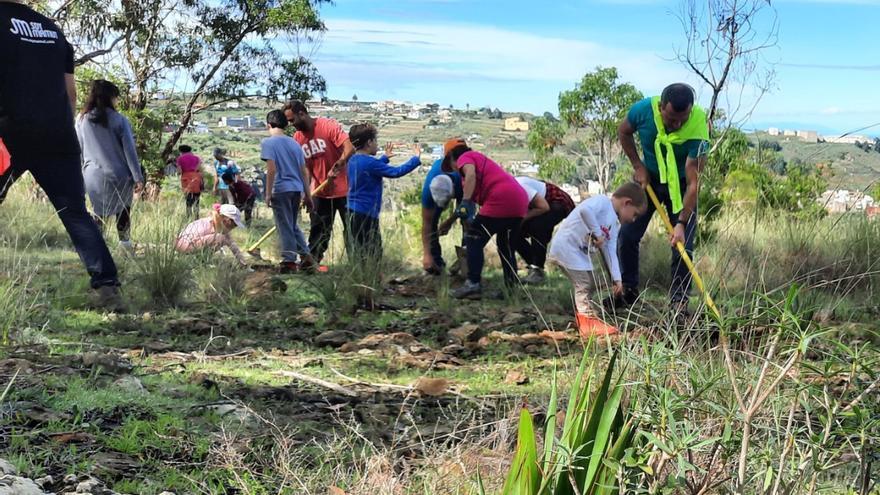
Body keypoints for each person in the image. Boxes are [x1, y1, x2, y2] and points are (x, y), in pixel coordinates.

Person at [0, 0, 122, 307]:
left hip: (9, 132)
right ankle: (107, 286)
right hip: (58, 134)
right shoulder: (52, 29)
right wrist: (60, 131)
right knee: (75, 212)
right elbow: (70, 94)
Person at [614, 83, 710, 315]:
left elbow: (694, 183)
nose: (676, 125)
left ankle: (678, 305)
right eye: (670, 120)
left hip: (682, 187)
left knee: (683, 246)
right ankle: (627, 291)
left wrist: (681, 223)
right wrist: (638, 165)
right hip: (650, 181)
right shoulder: (643, 110)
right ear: (660, 108)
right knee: (627, 235)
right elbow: (623, 131)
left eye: (682, 120)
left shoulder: (698, 125)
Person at [548, 183, 647, 337]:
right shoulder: (602, 202)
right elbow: (584, 210)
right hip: (567, 248)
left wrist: (617, 279)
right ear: (626, 203)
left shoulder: (614, 225)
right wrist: (597, 233)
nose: (633, 220)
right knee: (584, 283)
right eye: (634, 214)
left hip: (579, 255)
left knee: (592, 281)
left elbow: (610, 251)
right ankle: (587, 323)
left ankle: (584, 317)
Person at [441, 138, 529, 299]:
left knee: (473, 238)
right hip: (519, 200)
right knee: (506, 245)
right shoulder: (478, 164)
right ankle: (511, 289)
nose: (454, 169)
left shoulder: (466, 158)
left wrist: (466, 202)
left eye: (450, 164)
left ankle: (473, 284)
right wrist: (449, 222)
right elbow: (465, 205)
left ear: (452, 156)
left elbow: (470, 177)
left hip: (501, 198)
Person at [76, 80, 144, 250]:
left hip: (92, 176)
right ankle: (126, 248)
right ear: (110, 97)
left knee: (99, 212)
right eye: (116, 97)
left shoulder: (81, 119)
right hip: (119, 175)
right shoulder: (120, 120)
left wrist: (79, 176)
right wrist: (138, 177)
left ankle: (96, 249)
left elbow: (79, 149)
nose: (117, 101)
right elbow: (129, 151)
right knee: (123, 211)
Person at [284, 100, 355, 263]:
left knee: (351, 231)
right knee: (318, 232)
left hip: (345, 190)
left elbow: (349, 148)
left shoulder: (328, 125)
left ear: (302, 113)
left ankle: (356, 265)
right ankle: (311, 265)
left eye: (292, 120)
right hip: (320, 192)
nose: (291, 124)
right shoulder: (298, 138)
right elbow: (306, 169)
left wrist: (338, 165)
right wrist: (306, 192)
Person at [346, 124, 421, 261]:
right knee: (374, 251)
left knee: (360, 249)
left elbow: (369, 168)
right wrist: (415, 159)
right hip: (366, 214)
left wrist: (385, 158)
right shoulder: (370, 163)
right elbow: (396, 172)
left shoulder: (353, 160)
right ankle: (374, 278)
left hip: (352, 211)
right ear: (369, 142)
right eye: (375, 141)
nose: (376, 144)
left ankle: (361, 276)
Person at [261, 110, 316, 273]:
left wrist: (268, 193)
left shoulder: (268, 142)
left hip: (281, 189)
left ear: (268, 125)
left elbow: (271, 169)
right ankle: (306, 257)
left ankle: (289, 261)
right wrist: (308, 194)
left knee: (283, 225)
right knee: (292, 225)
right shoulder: (294, 143)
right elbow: (303, 171)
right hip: (296, 189)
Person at [512, 176, 575, 284]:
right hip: (539, 206)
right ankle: (534, 267)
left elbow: (544, 207)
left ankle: (537, 270)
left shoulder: (519, 186)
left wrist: (523, 219)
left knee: (538, 228)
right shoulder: (506, 192)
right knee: (514, 234)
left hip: (556, 201)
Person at [421, 155, 463, 275]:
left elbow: (464, 208)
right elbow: (426, 224)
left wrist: (450, 221)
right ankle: (435, 263)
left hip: (462, 186)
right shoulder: (428, 192)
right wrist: (426, 254)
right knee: (432, 220)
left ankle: (467, 263)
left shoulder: (462, 180)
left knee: (467, 220)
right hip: (438, 189)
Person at [176, 203, 248, 266]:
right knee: (220, 238)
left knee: (223, 238)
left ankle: (201, 260)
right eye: (234, 225)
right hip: (184, 246)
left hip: (192, 246)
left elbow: (232, 244)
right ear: (227, 220)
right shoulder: (207, 224)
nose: (234, 227)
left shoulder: (219, 226)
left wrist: (242, 262)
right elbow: (188, 241)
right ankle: (199, 261)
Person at [176, 144, 203, 218]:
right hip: (196, 178)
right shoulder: (197, 158)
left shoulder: (180, 158)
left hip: (186, 178)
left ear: (181, 151)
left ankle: (188, 217)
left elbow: (179, 171)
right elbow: (198, 168)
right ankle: (196, 217)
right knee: (196, 199)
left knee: (188, 200)